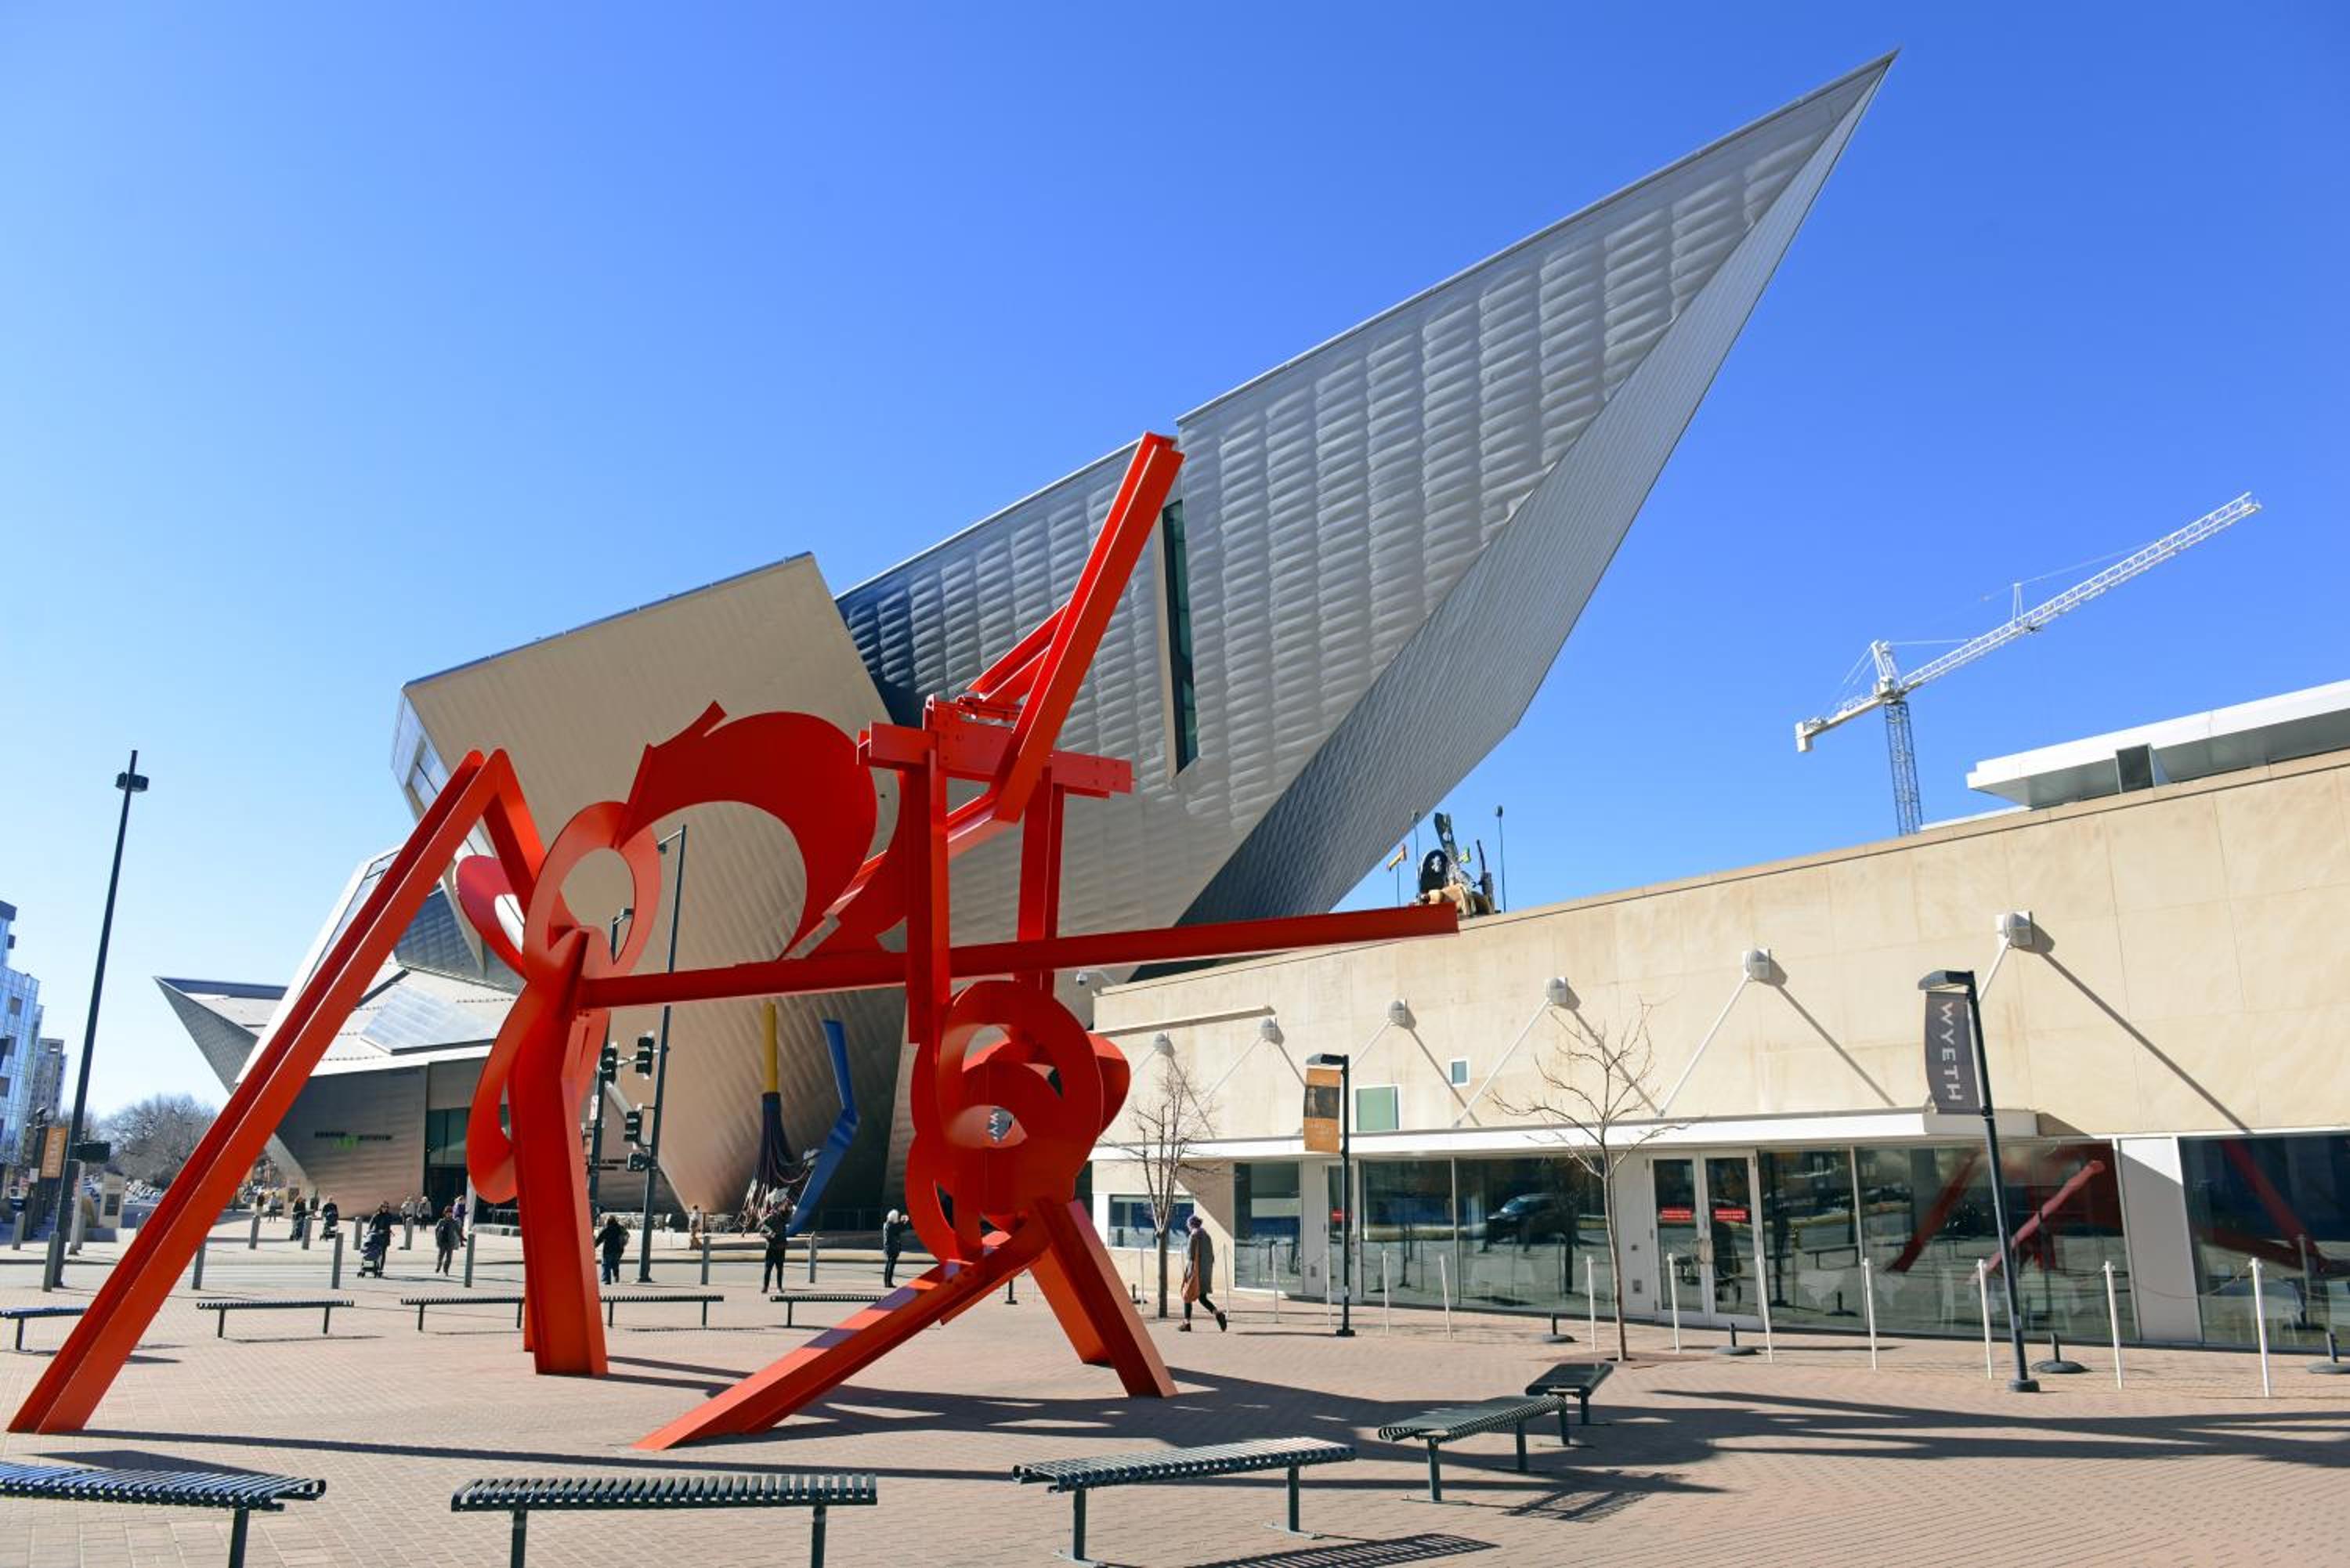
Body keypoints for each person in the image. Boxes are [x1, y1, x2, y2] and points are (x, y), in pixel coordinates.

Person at [1179, 1213, 1227, 1332]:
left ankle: (1187, 1324)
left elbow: (1190, 1256)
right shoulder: (1207, 1235)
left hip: (1195, 1272)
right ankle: (1218, 1314)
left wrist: (1188, 1274)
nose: (1188, 1227)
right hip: (1206, 1272)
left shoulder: (1193, 1236)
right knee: (1202, 1298)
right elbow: (1211, 1256)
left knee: (1187, 1296)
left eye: (1188, 1225)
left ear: (1191, 1225)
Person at [759, 1201, 792, 1293]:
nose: (777, 1211)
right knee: (768, 1269)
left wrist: (788, 1207)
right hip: (771, 1247)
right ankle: (765, 1287)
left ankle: (779, 1287)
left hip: (781, 1247)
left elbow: (788, 1216)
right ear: (773, 1210)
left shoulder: (783, 1218)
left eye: (778, 1209)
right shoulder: (769, 1219)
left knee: (780, 1269)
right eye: (775, 1209)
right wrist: (768, 1235)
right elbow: (761, 1233)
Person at [362, 1201, 394, 1277]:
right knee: (374, 1251)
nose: (385, 1208)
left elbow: (388, 1225)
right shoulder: (376, 1215)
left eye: (386, 1207)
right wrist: (369, 1231)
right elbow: (371, 1224)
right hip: (376, 1235)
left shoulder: (389, 1216)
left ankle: (381, 1269)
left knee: (383, 1252)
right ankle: (374, 1266)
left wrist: (384, 1230)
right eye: (383, 1207)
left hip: (385, 1236)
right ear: (380, 1207)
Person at [880, 1208, 909, 1288]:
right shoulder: (891, 1226)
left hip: (889, 1248)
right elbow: (901, 1228)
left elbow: (898, 1228)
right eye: (897, 1217)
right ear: (894, 1218)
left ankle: (887, 1282)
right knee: (891, 1266)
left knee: (888, 1265)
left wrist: (902, 1221)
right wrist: (904, 1221)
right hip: (892, 1248)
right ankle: (889, 1283)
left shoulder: (887, 1225)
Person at [597, 1214, 627, 1285]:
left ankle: (607, 1280)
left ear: (607, 1221)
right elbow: (626, 1236)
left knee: (606, 1265)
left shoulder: (606, 1229)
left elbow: (599, 1240)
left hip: (608, 1250)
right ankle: (616, 1276)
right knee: (615, 1264)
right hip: (618, 1250)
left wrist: (594, 1246)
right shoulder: (620, 1228)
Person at [434, 1206, 461, 1275]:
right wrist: (437, 1238)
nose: (449, 1215)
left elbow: (458, 1231)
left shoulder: (454, 1222)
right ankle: (438, 1266)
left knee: (449, 1258)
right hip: (442, 1242)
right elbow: (436, 1229)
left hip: (450, 1242)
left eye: (450, 1213)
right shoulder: (441, 1221)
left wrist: (462, 1239)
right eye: (447, 1213)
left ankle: (446, 1269)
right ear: (445, 1214)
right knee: (440, 1256)